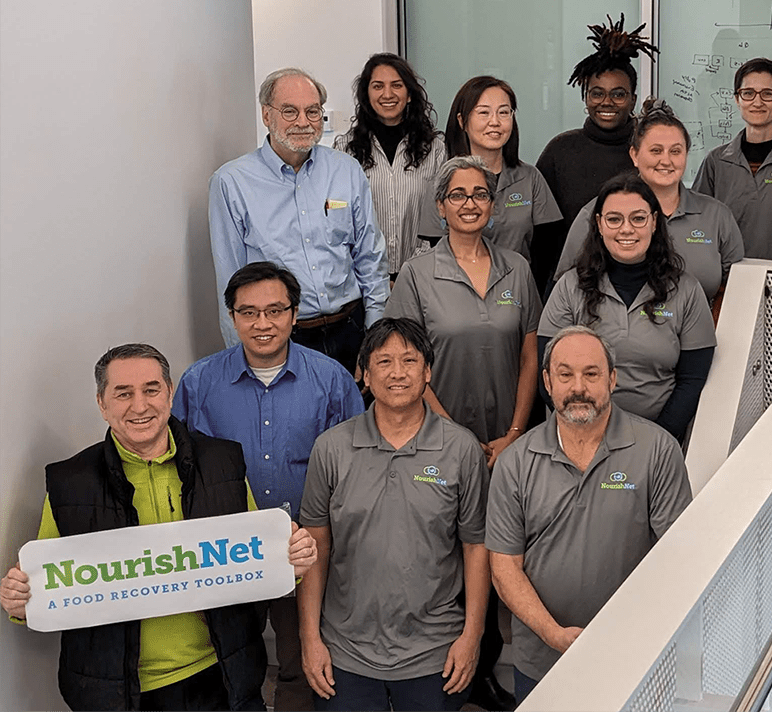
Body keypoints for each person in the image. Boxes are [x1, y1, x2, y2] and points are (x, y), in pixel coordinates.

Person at [1, 344, 316, 712]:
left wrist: (292, 562)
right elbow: (49, 583)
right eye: (123, 393)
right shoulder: (70, 482)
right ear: (102, 404)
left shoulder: (223, 461)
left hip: (224, 676)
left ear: (169, 393)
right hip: (120, 692)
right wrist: (20, 602)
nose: (140, 406)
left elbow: (257, 560)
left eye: (151, 389)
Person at [385, 156, 540, 711]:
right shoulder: (417, 273)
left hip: (507, 445)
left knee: (500, 554)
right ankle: (445, 668)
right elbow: (406, 357)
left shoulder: (516, 269)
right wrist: (449, 431)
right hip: (440, 441)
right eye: (458, 195)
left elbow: (529, 353)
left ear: (493, 206)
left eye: (480, 194)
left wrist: (517, 430)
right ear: (440, 205)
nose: (470, 203)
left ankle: (485, 671)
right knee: (448, 553)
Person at [173, 262, 364, 712]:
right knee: (229, 659)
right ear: (233, 317)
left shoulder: (331, 380)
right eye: (249, 312)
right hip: (224, 554)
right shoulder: (199, 383)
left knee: (301, 661)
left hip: (305, 551)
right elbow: (180, 468)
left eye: (275, 310)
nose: (263, 324)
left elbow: (356, 468)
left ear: (295, 315)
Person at [487, 326, 693, 703]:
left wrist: (627, 635)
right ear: (547, 382)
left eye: (591, 373)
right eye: (565, 374)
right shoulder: (515, 462)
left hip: (634, 656)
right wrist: (552, 634)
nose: (578, 387)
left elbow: (677, 560)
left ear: (613, 379)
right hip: (540, 660)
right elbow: (503, 568)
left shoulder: (657, 451)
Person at [298, 319, 489, 712]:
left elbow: (476, 547)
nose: (398, 372)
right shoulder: (331, 448)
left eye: (409, 360)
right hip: (344, 651)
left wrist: (472, 635)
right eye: (383, 362)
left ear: (427, 371)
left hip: (434, 650)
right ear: (365, 374)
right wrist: (310, 639)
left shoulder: (461, 449)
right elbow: (315, 545)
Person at [209, 67, 389, 374]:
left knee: (357, 420)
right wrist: (243, 359)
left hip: (352, 329)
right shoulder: (232, 182)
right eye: (290, 111)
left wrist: (376, 337)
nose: (303, 122)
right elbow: (230, 282)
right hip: (283, 338)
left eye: (313, 111)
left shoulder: (345, 170)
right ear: (267, 115)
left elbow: (370, 258)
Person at [540, 174, 716, 441]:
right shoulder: (569, 287)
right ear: (599, 224)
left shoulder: (686, 291)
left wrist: (654, 442)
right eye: (614, 219)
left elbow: (692, 381)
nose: (626, 229)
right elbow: (549, 376)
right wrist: (589, 433)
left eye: (638, 218)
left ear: (654, 222)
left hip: (660, 440)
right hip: (578, 436)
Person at [555, 99, 745, 310]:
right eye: (656, 151)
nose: (666, 160)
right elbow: (567, 290)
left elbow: (738, 288)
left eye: (675, 151)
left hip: (700, 337)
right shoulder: (597, 213)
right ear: (634, 155)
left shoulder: (716, 216)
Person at [534, 14, 657, 291]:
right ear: (585, 97)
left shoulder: (649, 153)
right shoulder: (560, 151)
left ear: (633, 99)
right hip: (571, 288)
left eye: (618, 94)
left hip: (639, 287)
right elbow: (541, 240)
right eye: (597, 93)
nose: (606, 102)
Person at [419, 76, 562, 263]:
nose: (495, 122)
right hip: (457, 288)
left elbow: (548, 249)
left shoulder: (530, 178)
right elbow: (437, 253)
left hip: (519, 287)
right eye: (483, 113)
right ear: (462, 121)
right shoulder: (443, 182)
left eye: (503, 113)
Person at [334, 53, 447, 281]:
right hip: (363, 280)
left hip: (422, 276)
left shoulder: (435, 149)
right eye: (378, 86)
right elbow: (339, 219)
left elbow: (441, 219)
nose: (387, 94)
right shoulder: (345, 149)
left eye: (397, 85)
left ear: (409, 95)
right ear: (366, 94)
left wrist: (410, 273)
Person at [693, 57, 772, 261]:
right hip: (727, 277)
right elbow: (699, 222)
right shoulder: (716, 161)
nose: (757, 102)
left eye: (768, 94)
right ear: (737, 99)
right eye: (748, 93)